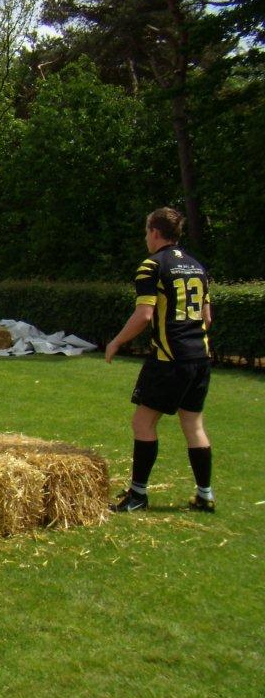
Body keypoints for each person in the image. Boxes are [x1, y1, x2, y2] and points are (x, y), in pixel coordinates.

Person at [106, 206, 216, 513]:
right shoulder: (197, 267)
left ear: (155, 232)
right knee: (193, 424)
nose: (145, 237)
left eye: (146, 231)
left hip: (170, 358)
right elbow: (207, 318)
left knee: (143, 421)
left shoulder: (152, 266)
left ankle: (138, 495)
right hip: (200, 357)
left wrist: (116, 341)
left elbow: (144, 315)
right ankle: (205, 494)